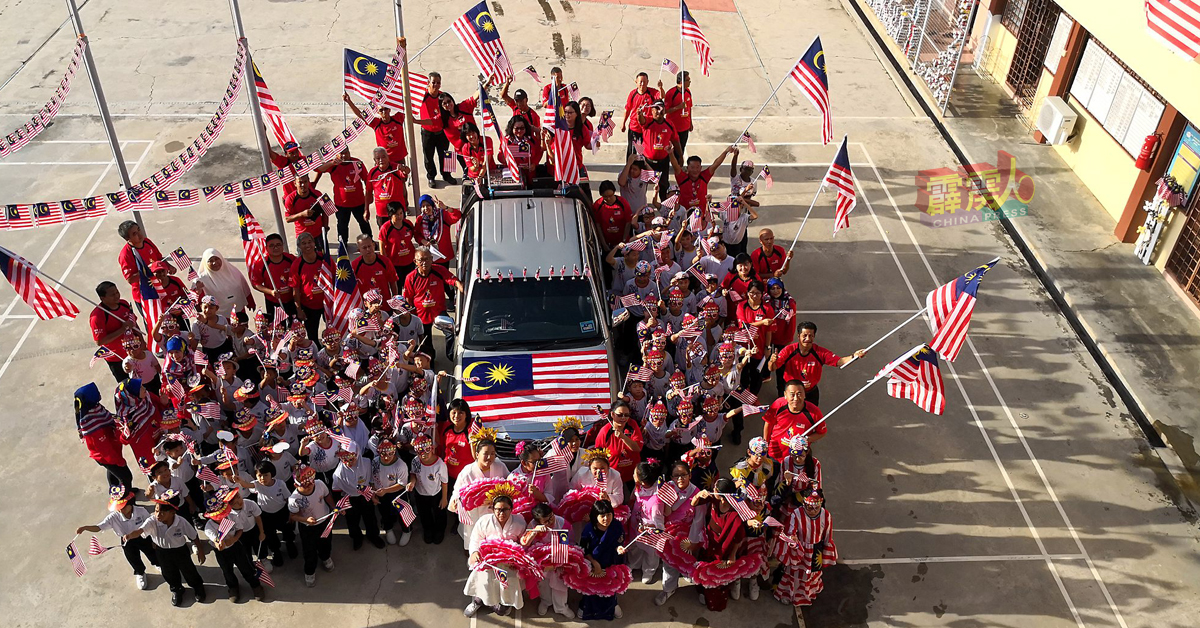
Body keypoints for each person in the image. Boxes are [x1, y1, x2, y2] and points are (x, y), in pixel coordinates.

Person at [126, 491, 208, 607]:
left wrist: (201, 552)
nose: (158, 515)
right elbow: (140, 530)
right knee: (168, 572)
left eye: (162, 513)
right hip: (162, 552)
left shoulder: (181, 522)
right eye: (156, 510)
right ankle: (177, 589)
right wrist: (130, 535)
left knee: (188, 570)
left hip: (180, 550)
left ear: (173, 512)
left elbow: (194, 536)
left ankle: (197, 587)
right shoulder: (152, 521)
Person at [76, 487, 158, 590]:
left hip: (143, 536)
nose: (120, 510)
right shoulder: (113, 517)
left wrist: (155, 539)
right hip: (126, 540)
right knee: (132, 558)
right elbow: (99, 527)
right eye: (118, 508)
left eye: (123, 507)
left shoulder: (141, 511)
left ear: (130, 504)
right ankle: (140, 573)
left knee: (151, 551)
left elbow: (150, 524)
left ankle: (157, 564)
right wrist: (85, 528)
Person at [768, 321, 867, 407]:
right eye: (804, 335)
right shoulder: (788, 351)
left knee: (810, 420)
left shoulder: (820, 352)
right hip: (792, 393)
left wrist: (854, 356)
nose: (807, 338)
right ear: (798, 336)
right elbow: (772, 368)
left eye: (811, 335)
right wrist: (772, 361)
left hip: (811, 394)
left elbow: (839, 361)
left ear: (814, 336)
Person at [774, 486, 837, 618]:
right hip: (799, 551)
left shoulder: (826, 515)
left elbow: (827, 536)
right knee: (794, 573)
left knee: (812, 574)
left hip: (816, 551)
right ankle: (788, 594)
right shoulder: (796, 514)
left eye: (816, 507)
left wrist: (826, 553)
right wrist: (793, 539)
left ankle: (807, 595)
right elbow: (791, 531)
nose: (813, 511)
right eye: (809, 507)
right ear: (804, 504)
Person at [463, 494, 527, 617]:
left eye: (505, 509)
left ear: (511, 509)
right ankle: (478, 601)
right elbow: (475, 539)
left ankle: (504, 604)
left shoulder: (519, 522)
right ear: (493, 509)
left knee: (506, 588)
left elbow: (523, 545)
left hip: (509, 565)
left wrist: (518, 561)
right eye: (498, 509)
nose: (501, 513)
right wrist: (475, 552)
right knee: (485, 583)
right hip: (487, 562)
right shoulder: (484, 521)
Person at [201, 491, 265, 602]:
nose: (220, 517)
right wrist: (219, 544)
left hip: (236, 547)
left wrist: (234, 539)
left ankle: (255, 585)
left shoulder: (231, 517)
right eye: (217, 516)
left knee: (246, 567)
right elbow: (215, 540)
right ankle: (233, 587)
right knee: (227, 570)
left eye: (221, 514)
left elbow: (240, 529)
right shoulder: (209, 527)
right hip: (222, 552)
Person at [695, 478, 747, 611]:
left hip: (723, 548)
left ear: (723, 496)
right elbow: (694, 503)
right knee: (703, 569)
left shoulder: (735, 514)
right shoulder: (714, 499)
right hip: (709, 542)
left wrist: (732, 555)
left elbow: (737, 538)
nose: (712, 491)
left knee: (718, 575)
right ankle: (702, 590)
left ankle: (714, 599)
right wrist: (698, 495)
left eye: (715, 489)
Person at [449, 438, 509, 550]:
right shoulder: (468, 471)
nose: (489, 457)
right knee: (472, 532)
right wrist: (455, 501)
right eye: (485, 453)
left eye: (492, 454)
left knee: (492, 532)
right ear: (477, 454)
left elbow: (508, 481)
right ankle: (470, 550)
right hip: (474, 511)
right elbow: (458, 490)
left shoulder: (500, 466)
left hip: (493, 509)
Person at [401, 247, 463, 359]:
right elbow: (408, 299)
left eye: (427, 259)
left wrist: (459, 285)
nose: (424, 263)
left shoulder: (439, 270)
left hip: (439, 312)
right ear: (415, 261)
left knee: (451, 332)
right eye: (421, 260)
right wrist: (412, 317)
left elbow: (451, 279)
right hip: (421, 316)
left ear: (432, 259)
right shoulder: (410, 278)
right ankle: (430, 362)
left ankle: (451, 356)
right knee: (426, 342)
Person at [75, 382, 133, 489]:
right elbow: (103, 447)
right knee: (126, 477)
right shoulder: (90, 422)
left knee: (113, 473)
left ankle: (114, 488)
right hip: (106, 456)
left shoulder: (95, 407)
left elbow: (107, 417)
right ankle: (127, 499)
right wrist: (118, 461)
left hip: (111, 451)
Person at [521, 503, 574, 618]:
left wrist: (561, 561)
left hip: (559, 559)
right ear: (538, 522)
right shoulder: (533, 525)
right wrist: (534, 532)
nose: (550, 521)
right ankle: (546, 601)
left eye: (551, 516)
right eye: (546, 521)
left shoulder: (563, 523)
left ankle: (561, 607)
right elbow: (524, 544)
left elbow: (572, 543)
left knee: (560, 585)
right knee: (543, 584)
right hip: (542, 562)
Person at [288, 464, 337, 588]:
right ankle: (309, 571)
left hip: (325, 522)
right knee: (309, 550)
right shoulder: (294, 499)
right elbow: (293, 516)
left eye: (311, 482)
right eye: (305, 485)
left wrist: (334, 507)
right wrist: (305, 519)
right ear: (296, 485)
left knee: (326, 542)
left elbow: (327, 496)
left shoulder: (319, 484)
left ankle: (325, 557)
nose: (310, 486)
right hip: (308, 528)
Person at [316, 145, 373, 245]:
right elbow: (318, 169)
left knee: (364, 223)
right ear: (337, 154)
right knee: (342, 226)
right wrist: (331, 163)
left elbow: (366, 180)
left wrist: (369, 196)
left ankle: (370, 241)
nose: (343, 155)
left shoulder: (357, 163)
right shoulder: (333, 165)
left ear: (349, 152)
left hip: (359, 202)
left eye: (345, 152)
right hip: (341, 204)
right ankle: (343, 244)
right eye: (341, 153)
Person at [579, 499, 626, 620]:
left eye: (609, 514)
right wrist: (594, 563)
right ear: (596, 516)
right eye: (602, 516)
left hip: (612, 562)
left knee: (610, 587)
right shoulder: (588, 529)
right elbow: (583, 549)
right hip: (593, 565)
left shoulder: (617, 526)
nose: (606, 519)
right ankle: (586, 607)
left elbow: (620, 542)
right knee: (591, 589)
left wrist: (619, 548)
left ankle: (613, 605)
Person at [331, 448, 385, 550]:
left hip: (365, 495)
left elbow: (371, 479)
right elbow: (336, 491)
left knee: (370, 517)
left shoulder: (366, 463)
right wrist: (340, 506)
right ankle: (357, 537)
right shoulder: (338, 473)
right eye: (345, 460)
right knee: (352, 520)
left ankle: (373, 536)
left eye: (351, 459)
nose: (349, 463)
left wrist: (373, 495)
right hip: (349, 498)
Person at [90, 281, 141, 383]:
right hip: (117, 358)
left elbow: (134, 324)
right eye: (112, 295)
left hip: (135, 350)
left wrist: (142, 341)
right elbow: (100, 341)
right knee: (128, 385)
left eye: (117, 292)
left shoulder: (124, 304)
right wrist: (122, 329)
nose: (117, 296)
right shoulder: (97, 316)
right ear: (102, 298)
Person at [762, 380, 825, 460]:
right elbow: (768, 424)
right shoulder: (778, 404)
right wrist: (765, 445)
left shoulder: (814, 412)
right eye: (792, 394)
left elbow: (822, 432)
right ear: (785, 395)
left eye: (799, 394)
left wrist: (806, 439)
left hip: (798, 458)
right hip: (774, 454)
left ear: (804, 395)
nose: (796, 398)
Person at [413, 71, 455, 188]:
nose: (436, 85)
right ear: (428, 83)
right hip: (427, 132)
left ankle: (447, 175)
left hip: (442, 131)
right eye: (433, 82)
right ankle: (431, 177)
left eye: (438, 83)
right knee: (428, 156)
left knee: (446, 154)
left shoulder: (443, 97)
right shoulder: (422, 96)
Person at [735, 280, 775, 401]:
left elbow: (769, 331)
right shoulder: (741, 306)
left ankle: (753, 397)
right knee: (743, 374)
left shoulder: (767, 309)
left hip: (759, 348)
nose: (754, 295)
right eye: (752, 292)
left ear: (762, 294)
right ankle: (743, 395)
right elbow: (743, 326)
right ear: (747, 293)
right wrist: (762, 322)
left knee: (757, 375)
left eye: (757, 293)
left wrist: (767, 347)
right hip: (744, 348)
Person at [288, 233, 332, 341]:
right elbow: (296, 290)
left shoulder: (324, 259)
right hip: (309, 307)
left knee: (333, 331)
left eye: (309, 242)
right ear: (299, 247)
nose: (307, 245)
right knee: (312, 336)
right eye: (303, 243)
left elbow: (335, 279)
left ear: (314, 243)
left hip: (328, 305)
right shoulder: (297, 265)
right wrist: (299, 310)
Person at [344, 92, 407, 165]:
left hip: (399, 160)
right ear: (378, 112)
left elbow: (405, 105)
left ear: (389, 109)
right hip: (383, 161)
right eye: (381, 110)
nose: (384, 112)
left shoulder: (398, 119)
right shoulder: (376, 123)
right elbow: (360, 115)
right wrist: (349, 101)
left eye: (386, 109)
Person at [116, 220, 163, 316]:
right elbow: (130, 279)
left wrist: (168, 266)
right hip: (145, 295)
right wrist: (147, 270)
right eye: (134, 234)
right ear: (127, 239)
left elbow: (159, 258)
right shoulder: (126, 255)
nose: (140, 234)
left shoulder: (147, 242)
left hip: (159, 288)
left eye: (139, 230)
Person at [593, 400, 644, 488]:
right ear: (612, 414)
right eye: (620, 415)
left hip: (633, 476)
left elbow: (637, 448)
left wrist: (623, 437)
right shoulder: (604, 432)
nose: (623, 418)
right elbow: (598, 457)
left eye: (626, 415)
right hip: (614, 477)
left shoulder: (632, 425)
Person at [409, 435, 449, 544]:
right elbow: (413, 473)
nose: (423, 455)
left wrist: (444, 498)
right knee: (424, 514)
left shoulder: (440, 464)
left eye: (426, 451)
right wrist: (412, 481)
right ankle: (428, 530)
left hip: (436, 493)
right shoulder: (415, 461)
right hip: (420, 493)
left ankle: (439, 531)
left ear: (431, 448)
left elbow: (444, 482)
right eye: (420, 452)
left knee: (439, 513)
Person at [670, 146, 734, 212]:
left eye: (697, 167)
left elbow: (716, 164)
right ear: (687, 168)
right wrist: (671, 153)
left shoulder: (704, 177)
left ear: (701, 168)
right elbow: (675, 166)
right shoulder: (682, 178)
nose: (695, 170)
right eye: (692, 167)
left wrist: (726, 151)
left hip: (701, 217)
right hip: (684, 217)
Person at [249, 233, 297, 322]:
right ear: (266, 248)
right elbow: (256, 284)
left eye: (278, 245)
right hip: (274, 303)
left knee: (295, 328)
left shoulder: (291, 259)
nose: (276, 248)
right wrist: (271, 292)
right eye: (272, 246)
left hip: (292, 301)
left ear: (283, 246)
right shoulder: (261, 264)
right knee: (278, 330)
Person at [639, 101, 681, 200]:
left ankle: (665, 209)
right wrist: (639, 114)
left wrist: (680, 155)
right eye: (656, 109)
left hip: (663, 162)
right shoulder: (648, 122)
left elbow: (675, 140)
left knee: (664, 185)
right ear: (652, 111)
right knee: (642, 186)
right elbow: (641, 120)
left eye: (661, 108)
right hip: (647, 162)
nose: (659, 111)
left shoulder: (669, 124)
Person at [366, 147, 412, 228]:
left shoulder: (396, 168)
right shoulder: (372, 173)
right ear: (374, 160)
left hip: (397, 211)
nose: (381, 160)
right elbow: (368, 192)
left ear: (388, 157)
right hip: (382, 213)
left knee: (400, 234)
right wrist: (366, 209)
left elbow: (407, 171)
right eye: (378, 158)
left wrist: (404, 168)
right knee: (385, 236)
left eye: (383, 157)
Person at [351, 233, 400, 306]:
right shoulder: (355, 265)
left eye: (369, 246)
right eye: (364, 248)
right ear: (359, 250)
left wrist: (394, 301)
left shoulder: (385, 262)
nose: (368, 249)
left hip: (385, 306)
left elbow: (393, 281)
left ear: (374, 245)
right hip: (367, 308)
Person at [284, 174, 328, 253]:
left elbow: (325, 212)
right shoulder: (290, 199)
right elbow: (287, 219)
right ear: (295, 183)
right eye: (300, 182)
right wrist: (302, 214)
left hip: (318, 234)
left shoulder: (317, 194)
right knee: (304, 261)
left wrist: (325, 227)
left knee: (323, 259)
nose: (303, 185)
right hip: (302, 236)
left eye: (305, 182)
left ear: (309, 182)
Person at [377, 203, 419, 286]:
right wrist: (386, 264)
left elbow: (416, 236)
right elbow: (382, 247)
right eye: (396, 214)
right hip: (395, 264)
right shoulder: (385, 228)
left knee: (411, 285)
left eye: (401, 213)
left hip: (409, 261)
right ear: (390, 215)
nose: (400, 216)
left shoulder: (408, 224)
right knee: (398, 286)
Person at [621, 72, 660, 156]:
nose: (642, 84)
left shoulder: (653, 93)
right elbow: (627, 109)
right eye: (640, 82)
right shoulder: (632, 94)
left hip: (647, 128)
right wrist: (623, 123)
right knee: (633, 151)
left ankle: (644, 168)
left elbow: (661, 96)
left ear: (648, 82)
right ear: (636, 82)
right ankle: (630, 167)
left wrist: (661, 87)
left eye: (644, 82)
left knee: (646, 151)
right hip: (635, 128)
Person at [592, 181, 633, 250]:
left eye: (610, 196)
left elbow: (628, 222)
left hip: (622, 242)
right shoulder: (598, 205)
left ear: (614, 192)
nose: (608, 199)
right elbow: (597, 225)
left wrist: (624, 240)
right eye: (605, 196)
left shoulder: (623, 203)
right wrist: (604, 244)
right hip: (607, 243)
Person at [504, 114, 542, 184]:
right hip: (513, 175)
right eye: (516, 128)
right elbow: (500, 157)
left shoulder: (531, 139)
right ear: (511, 128)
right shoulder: (506, 141)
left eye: (522, 128)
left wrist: (534, 164)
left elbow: (539, 152)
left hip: (530, 175)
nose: (519, 130)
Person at [662, 70, 693, 151]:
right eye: (688, 80)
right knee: (671, 150)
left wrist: (690, 123)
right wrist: (678, 107)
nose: (690, 82)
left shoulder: (688, 92)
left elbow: (689, 108)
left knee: (681, 150)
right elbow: (665, 111)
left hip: (685, 128)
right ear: (681, 81)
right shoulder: (671, 93)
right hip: (673, 128)